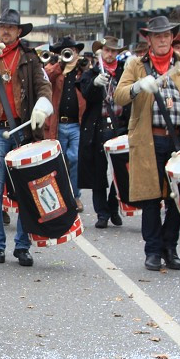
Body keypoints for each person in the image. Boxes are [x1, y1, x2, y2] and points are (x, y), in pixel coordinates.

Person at [115, 15, 180, 272]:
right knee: (150, 198)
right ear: (148, 39)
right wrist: (138, 86)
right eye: (157, 35)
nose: (162, 39)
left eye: (166, 35)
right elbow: (120, 95)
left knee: (176, 198)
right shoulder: (136, 65)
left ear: (172, 37)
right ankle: (152, 250)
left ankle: (169, 247)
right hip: (148, 139)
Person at [0, 8, 53, 267]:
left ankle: (22, 246)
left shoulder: (29, 57)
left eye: (10, 27)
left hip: (24, 130)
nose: (5, 30)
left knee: (27, 192)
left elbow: (44, 85)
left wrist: (42, 105)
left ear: (19, 31)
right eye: (2, 26)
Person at [78, 35, 128, 228]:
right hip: (98, 128)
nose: (109, 54)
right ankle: (102, 213)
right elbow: (86, 94)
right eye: (107, 50)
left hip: (120, 127)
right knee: (98, 172)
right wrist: (94, 84)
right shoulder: (92, 73)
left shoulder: (125, 72)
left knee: (120, 172)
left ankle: (113, 206)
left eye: (113, 51)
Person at [43, 36, 88, 213]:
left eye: (73, 51)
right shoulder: (55, 68)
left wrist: (82, 68)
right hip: (57, 123)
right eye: (66, 51)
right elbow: (46, 77)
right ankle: (60, 196)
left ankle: (75, 196)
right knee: (58, 161)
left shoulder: (82, 70)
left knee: (76, 159)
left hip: (76, 124)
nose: (71, 54)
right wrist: (61, 64)